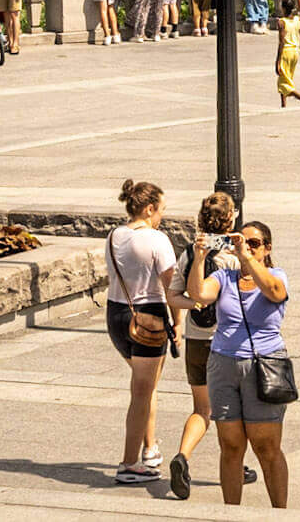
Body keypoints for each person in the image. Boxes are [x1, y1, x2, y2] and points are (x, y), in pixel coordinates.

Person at [188, 220, 291, 509]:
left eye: (254, 243)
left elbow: (274, 292)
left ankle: (279, 513)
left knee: (266, 446)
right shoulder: (224, 276)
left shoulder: (276, 275)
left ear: (267, 248)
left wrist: (247, 257)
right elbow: (198, 294)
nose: (247, 248)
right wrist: (198, 259)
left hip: (264, 366)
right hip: (223, 364)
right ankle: (231, 513)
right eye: (241, 242)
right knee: (230, 445)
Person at [164, 193, 258, 499]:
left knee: (202, 409)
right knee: (233, 409)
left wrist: (195, 303)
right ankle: (237, 465)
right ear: (231, 219)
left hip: (196, 342)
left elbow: (173, 296)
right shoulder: (232, 258)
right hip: (226, 344)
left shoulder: (191, 253)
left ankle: (182, 455)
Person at [104, 179, 177, 485]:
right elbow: (172, 287)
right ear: (149, 209)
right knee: (141, 393)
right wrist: (177, 327)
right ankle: (128, 464)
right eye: (160, 210)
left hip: (117, 314)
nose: (161, 216)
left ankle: (150, 448)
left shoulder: (114, 235)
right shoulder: (156, 240)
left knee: (146, 386)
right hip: (150, 318)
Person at [272, 5, 300, 106]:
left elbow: (281, 42)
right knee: (287, 77)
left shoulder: (282, 22)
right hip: (295, 51)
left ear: (283, 8)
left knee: (283, 82)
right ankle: (283, 104)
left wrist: (278, 60)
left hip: (286, 52)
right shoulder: (297, 20)